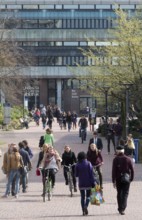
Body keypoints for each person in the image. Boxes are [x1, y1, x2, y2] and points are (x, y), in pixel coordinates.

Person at [112, 145, 134, 215]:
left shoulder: (115, 159)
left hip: (118, 178)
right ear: (123, 151)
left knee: (119, 193)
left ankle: (120, 208)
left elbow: (113, 171)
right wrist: (131, 178)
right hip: (127, 178)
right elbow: (132, 170)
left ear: (117, 151)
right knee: (125, 193)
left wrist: (113, 181)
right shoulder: (128, 159)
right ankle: (123, 208)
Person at [75, 151, 96, 216]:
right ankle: (85, 206)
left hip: (81, 182)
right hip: (89, 182)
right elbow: (91, 174)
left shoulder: (77, 164)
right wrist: (93, 182)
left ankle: (83, 210)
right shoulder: (88, 163)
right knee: (88, 196)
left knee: (82, 197)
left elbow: (76, 175)